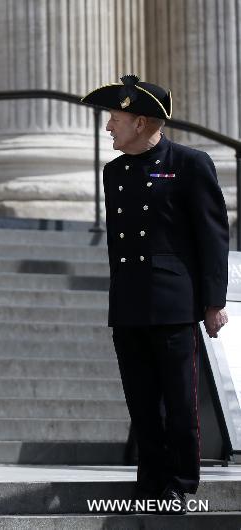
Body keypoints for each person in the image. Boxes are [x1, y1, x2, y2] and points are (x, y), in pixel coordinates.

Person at [82, 75, 229, 512]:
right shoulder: (114, 172)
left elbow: (211, 236)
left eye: (115, 119)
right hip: (129, 302)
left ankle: (179, 482)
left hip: (172, 301)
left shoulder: (189, 163)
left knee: (179, 402)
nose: (108, 127)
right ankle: (150, 479)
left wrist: (213, 301)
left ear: (142, 122)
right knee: (142, 401)